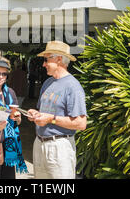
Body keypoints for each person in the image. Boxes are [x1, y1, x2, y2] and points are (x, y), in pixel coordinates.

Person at [28, 41, 87, 179]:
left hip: (60, 148)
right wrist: (36, 115)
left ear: (59, 59)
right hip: (39, 144)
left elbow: (81, 123)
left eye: (46, 59)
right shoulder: (48, 83)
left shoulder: (73, 86)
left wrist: (51, 119)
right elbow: (44, 111)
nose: (43, 64)